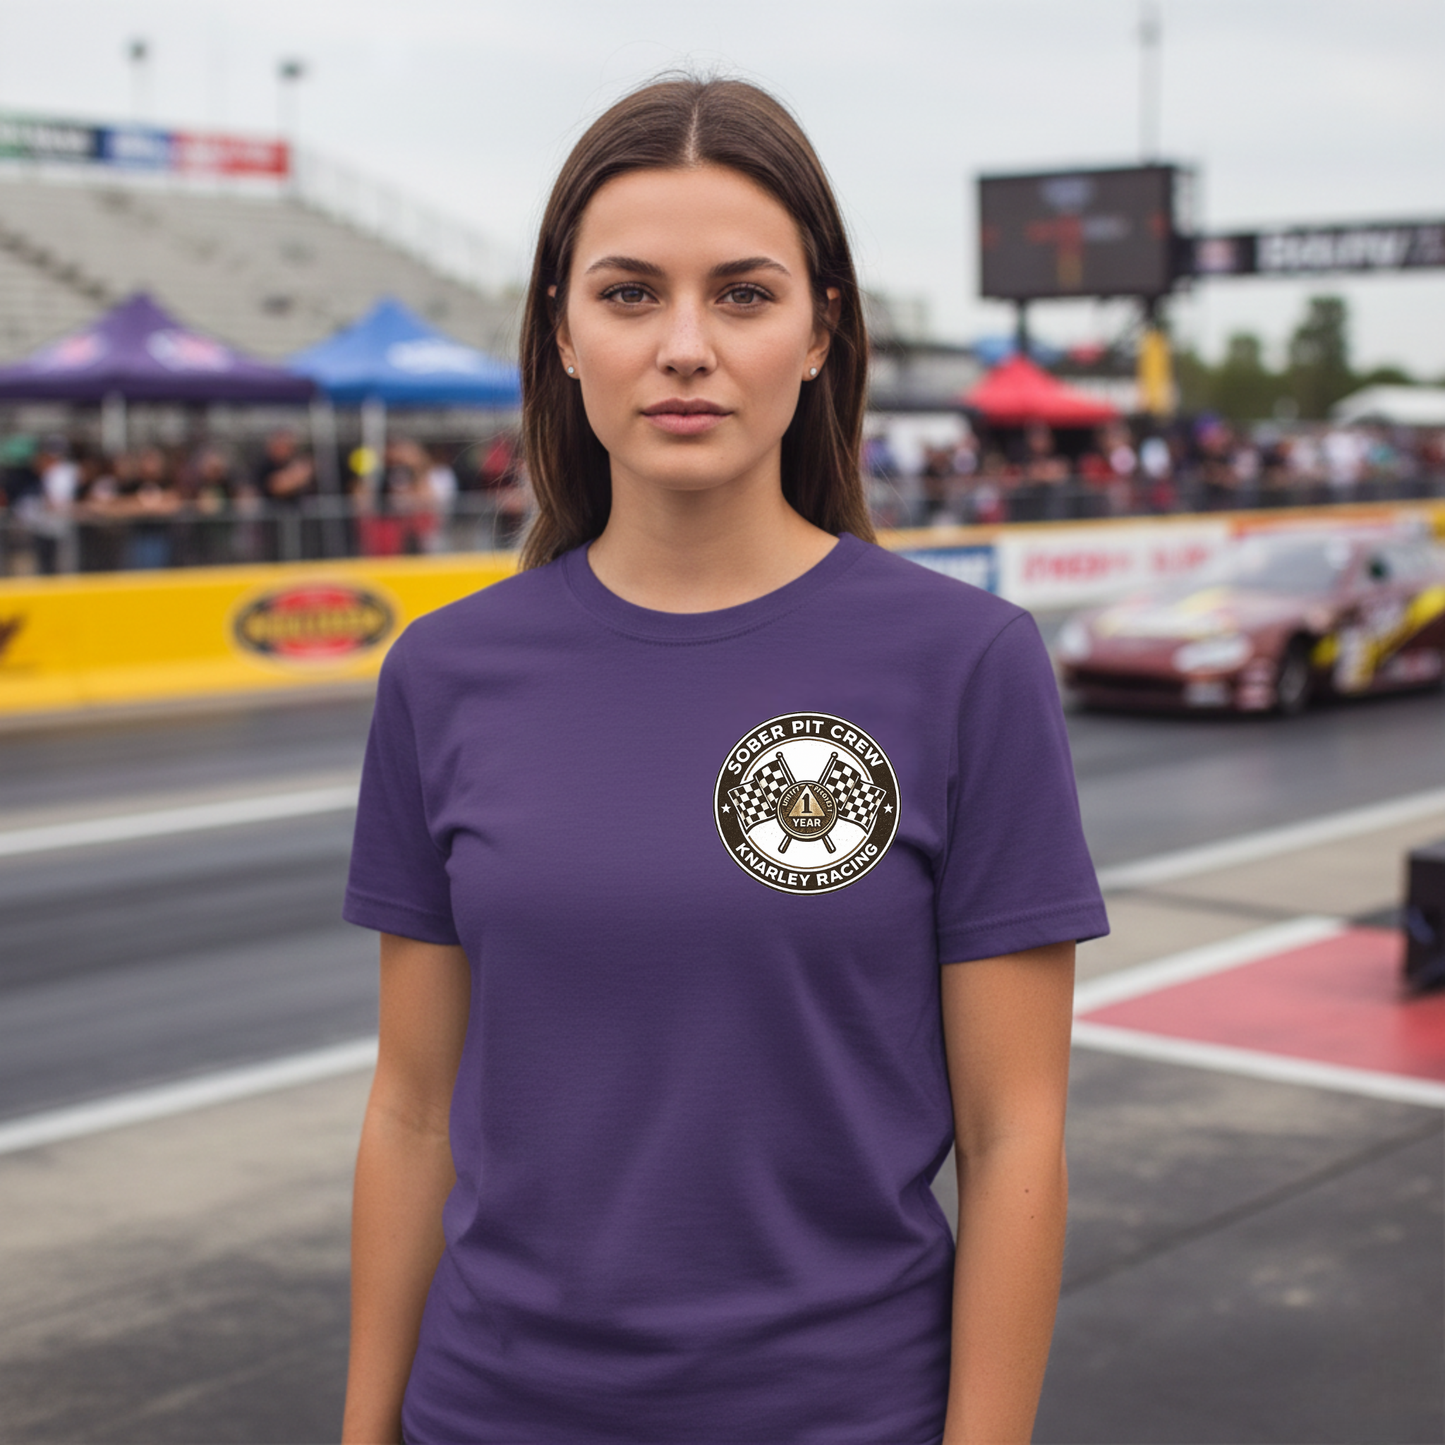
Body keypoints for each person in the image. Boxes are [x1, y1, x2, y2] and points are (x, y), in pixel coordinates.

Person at [342, 75, 1107, 1445]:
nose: (683, 345)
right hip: (488, 1414)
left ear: (822, 332)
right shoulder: (443, 675)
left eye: (742, 295)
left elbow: (1016, 1145)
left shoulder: (966, 664)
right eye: (630, 294)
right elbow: (409, 1111)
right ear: (561, 336)